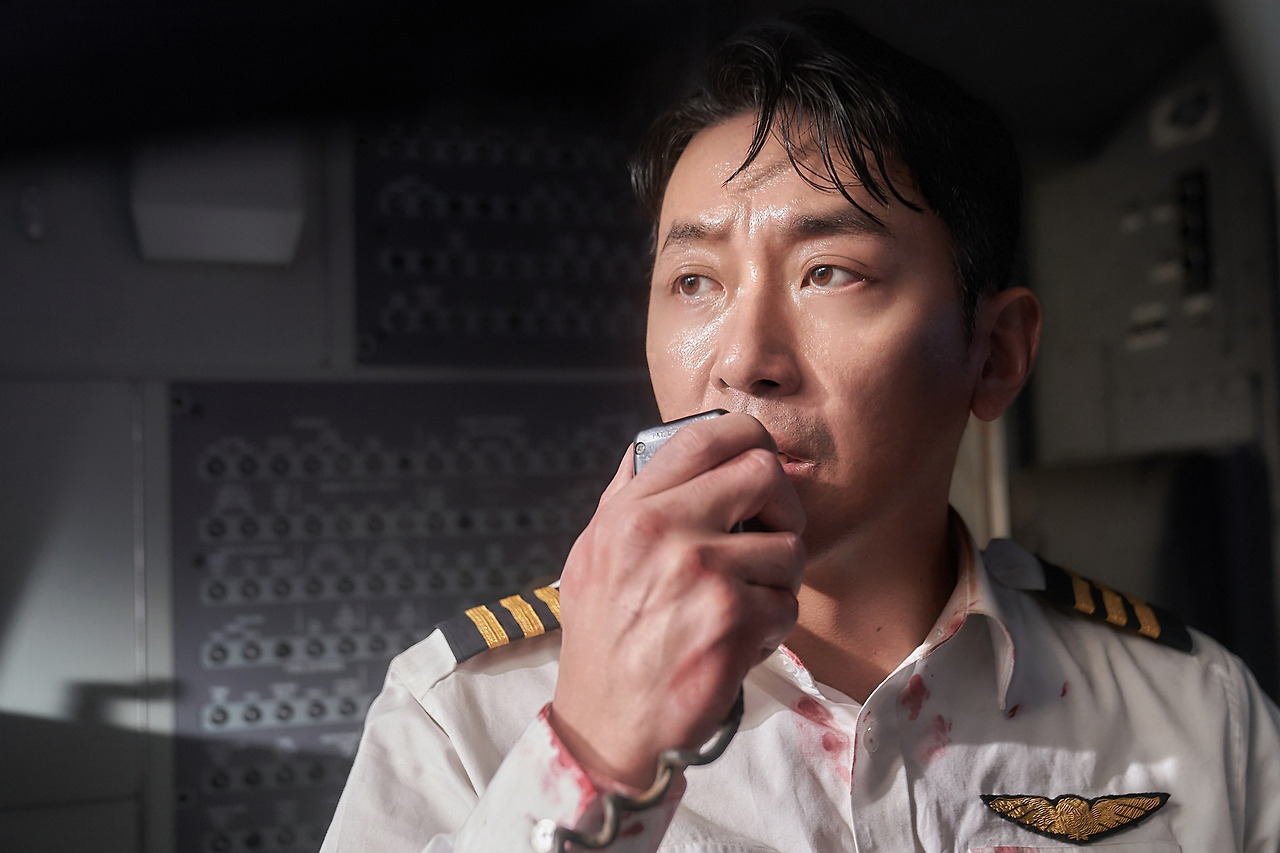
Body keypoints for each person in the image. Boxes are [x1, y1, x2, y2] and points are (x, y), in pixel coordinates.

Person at [321, 10, 1280, 851]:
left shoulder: (1197, 715)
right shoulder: (462, 719)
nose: (745, 359)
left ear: (993, 353)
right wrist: (594, 755)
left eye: (830, 272)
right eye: (694, 281)